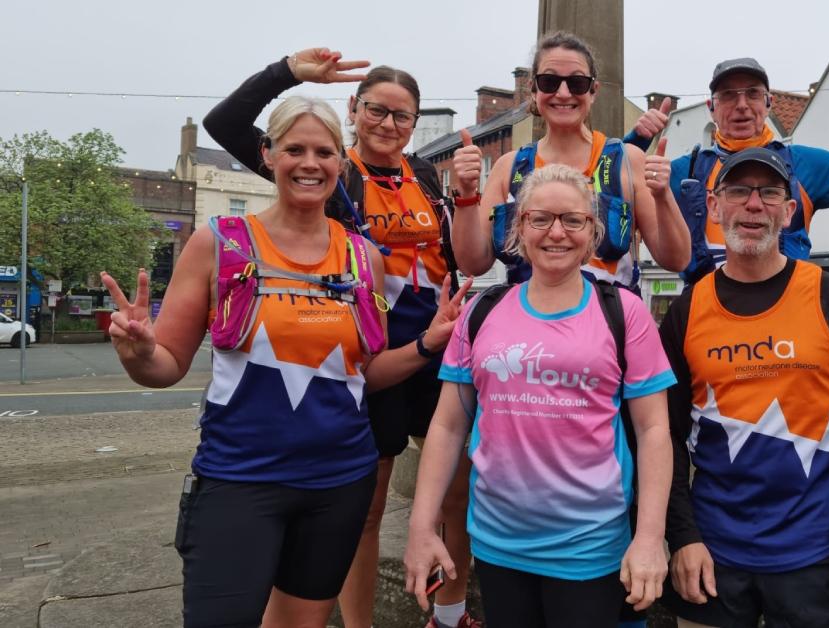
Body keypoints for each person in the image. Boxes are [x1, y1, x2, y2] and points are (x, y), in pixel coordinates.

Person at [101, 95, 471, 627]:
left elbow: (362, 376)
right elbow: (166, 367)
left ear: (339, 164)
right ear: (269, 155)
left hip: (339, 481)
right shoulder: (219, 244)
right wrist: (137, 353)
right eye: (294, 148)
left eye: (323, 151)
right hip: (240, 480)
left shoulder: (362, 256)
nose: (309, 163)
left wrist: (427, 344)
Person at [203, 49, 479, 628]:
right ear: (355, 109)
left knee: (458, 497)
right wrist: (287, 73)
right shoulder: (327, 168)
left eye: (403, 116)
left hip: (436, 355)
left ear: (415, 124)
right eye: (377, 110)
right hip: (366, 364)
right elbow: (225, 125)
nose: (388, 124)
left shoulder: (425, 175)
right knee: (367, 513)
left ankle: (450, 616)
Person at [404, 164, 675, 628]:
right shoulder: (482, 311)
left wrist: (650, 536)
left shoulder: (623, 313)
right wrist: (420, 526)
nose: (557, 233)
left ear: (592, 232)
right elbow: (449, 425)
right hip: (498, 543)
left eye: (573, 220)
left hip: (589, 547)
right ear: (519, 228)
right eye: (540, 219)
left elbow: (653, 431)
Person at [657, 148, 829, 627]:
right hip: (712, 553)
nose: (753, 205)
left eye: (769, 193)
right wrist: (681, 536)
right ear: (716, 208)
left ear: (790, 212)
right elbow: (665, 435)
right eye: (738, 191)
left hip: (815, 555)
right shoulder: (686, 310)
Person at [626, 57, 829, 284]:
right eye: (728, 95)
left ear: (769, 102)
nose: (741, 105)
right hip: (704, 316)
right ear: (711, 108)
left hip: (785, 315)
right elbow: (609, 193)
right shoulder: (684, 171)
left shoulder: (806, 165)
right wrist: (636, 142)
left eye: (752, 94)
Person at [451, 30, 691, 291]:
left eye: (576, 83)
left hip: (608, 325)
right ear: (533, 89)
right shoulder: (509, 168)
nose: (563, 93)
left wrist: (663, 195)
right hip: (529, 327)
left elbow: (677, 260)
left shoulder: (627, 161)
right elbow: (473, 264)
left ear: (593, 91)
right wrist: (465, 193)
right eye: (549, 81)